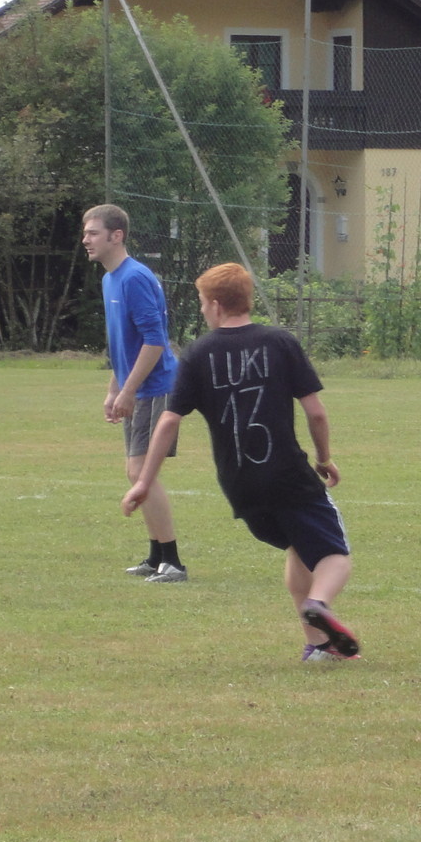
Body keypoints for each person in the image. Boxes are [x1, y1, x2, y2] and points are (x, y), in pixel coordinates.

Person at [122, 263, 359, 662]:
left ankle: (317, 646)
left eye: (201, 303)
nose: (201, 310)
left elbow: (168, 421)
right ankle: (318, 603)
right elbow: (316, 413)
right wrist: (324, 458)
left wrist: (144, 482)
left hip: (240, 486)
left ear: (215, 305)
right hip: (288, 476)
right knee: (335, 555)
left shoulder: (198, 353)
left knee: (299, 549)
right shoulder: (280, 342)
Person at [81, 204, 186, 582]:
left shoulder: (134, 278)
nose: (85, 240)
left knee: (142, 470)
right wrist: (114, 390)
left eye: (93, 233)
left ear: (116, 235)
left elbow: (155, 342)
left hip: (157, 388)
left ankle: (172, 562)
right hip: (137, 389)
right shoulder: (110, 279)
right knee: (136, 470)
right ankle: (157, 557)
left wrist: (129, 391)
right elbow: (122, 344)